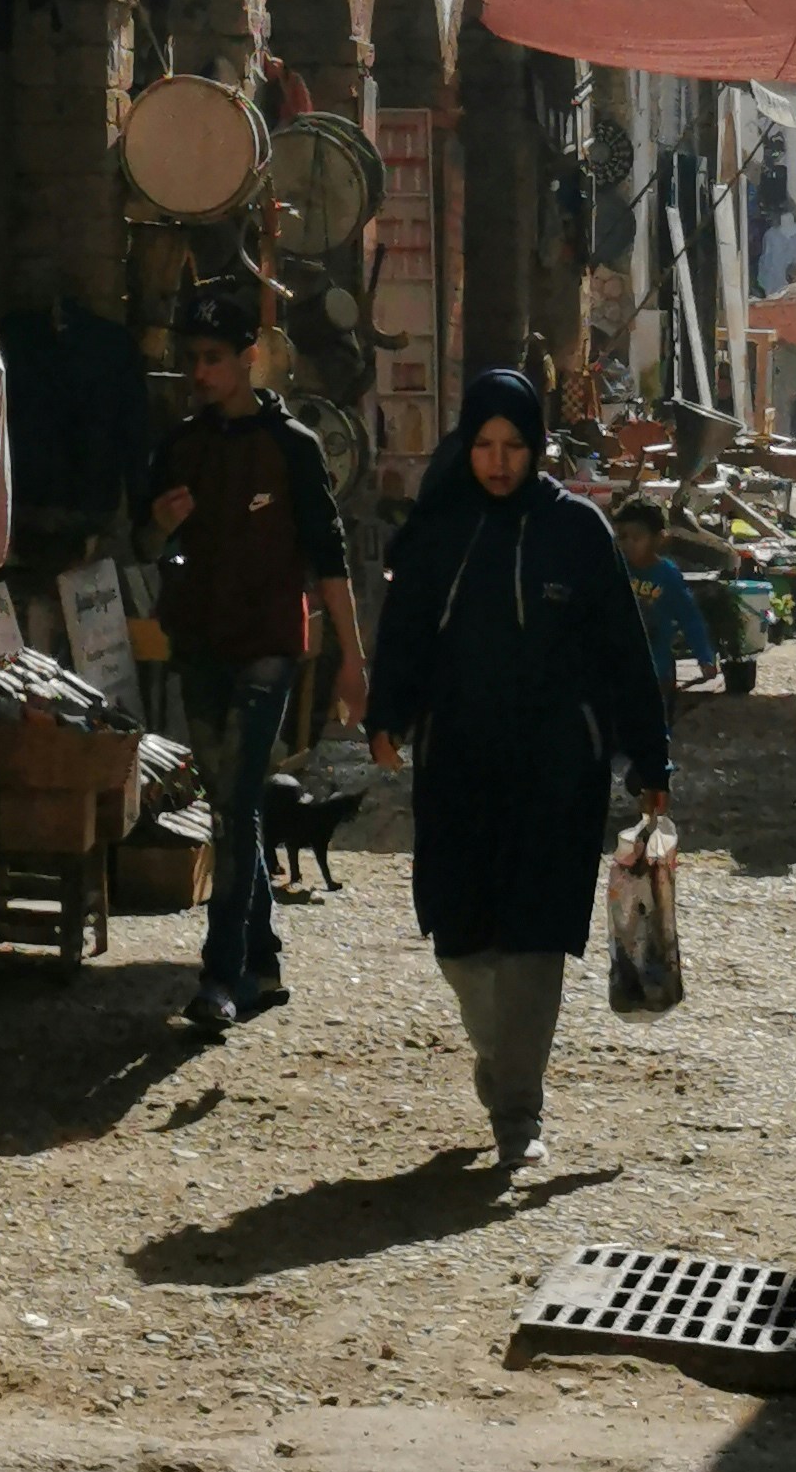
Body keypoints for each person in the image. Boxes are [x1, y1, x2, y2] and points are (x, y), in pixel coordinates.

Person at [367, 365, 667, 1181]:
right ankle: (500, 1062)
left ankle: (518, 1111)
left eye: (515, 447)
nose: (499, 463)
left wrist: (650, 756)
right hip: (456, 762)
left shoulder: (577, 533)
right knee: (461, 938)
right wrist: (386, 714)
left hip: (556, 769)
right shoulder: (439, 532)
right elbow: (402, 637)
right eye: (485, 446)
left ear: (537, 448)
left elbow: (623, 654)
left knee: (533, 935)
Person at [150, 281, 356, 1042]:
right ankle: (263, 961)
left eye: (212, 358)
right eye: (190, 359)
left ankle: (218, 975)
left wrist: (351, 662)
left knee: (235, 798)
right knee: (232, 808)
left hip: (269, 647)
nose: (199, 372)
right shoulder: (180, 446)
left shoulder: (294, 449)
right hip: (198, 645)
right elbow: (150, 546)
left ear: (248, 359)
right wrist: (159, 528)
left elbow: (330, 559)